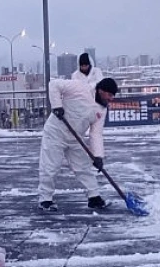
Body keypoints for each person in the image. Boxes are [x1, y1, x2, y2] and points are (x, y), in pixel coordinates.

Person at [38, 77, 118, 211]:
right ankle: (45, 199)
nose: (111, 99)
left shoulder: (102, 110)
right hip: (55, 134)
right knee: (50, 167)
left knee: (84, 167)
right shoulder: (80, 88)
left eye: (113, 96)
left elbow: (96, 133)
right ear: (100, 90)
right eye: (109, 95)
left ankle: (94, 197)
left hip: (75, 138)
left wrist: (98, 156)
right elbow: (54, 85)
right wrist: (57, 106)